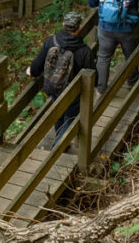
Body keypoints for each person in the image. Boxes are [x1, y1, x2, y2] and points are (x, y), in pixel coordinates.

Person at [26, 12, 95, 145]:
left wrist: (32, 72)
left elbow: (37, 65)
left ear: (64, 25)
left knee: (58, 112)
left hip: (53, 86)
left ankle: (59, 140)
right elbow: (92, 73)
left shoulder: (51, 41)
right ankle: (58, 146)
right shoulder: (84, 51)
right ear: (79, 27)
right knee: (70, 119)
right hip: (72, 91)